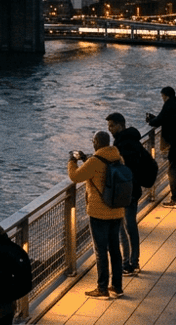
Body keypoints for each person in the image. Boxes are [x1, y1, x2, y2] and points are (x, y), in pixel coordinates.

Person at [67, 131, 125, 299]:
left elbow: (75, 176)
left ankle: (102, 288)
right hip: (117, 210)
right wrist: (86, 158)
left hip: (99, 213)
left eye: (93, 140)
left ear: (97, 143)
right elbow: (102, 171)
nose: (92, 143)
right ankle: (117, 286)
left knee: (100, 250)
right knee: (114, 248)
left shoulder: (94, 161)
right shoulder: (117, 157)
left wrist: (72, 160)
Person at [106, 112, 142, 275]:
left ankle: (127, 263)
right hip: (133, 188)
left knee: (123, 226)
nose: (110, 129)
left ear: (120, 125)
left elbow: (120, 167)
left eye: (112, 126)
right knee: (131, 225)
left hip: (125, 191)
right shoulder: (132, 139)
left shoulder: (122, 143)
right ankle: (134, 261)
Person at [146, 85, 176, 207]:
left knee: (172, 170)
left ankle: (174, 199)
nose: (162, 99)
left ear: (166, 96)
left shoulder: (169, 104)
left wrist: (150, 121)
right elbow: (165, 118)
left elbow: (160, 120)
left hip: (174, 143)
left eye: (162, 96)